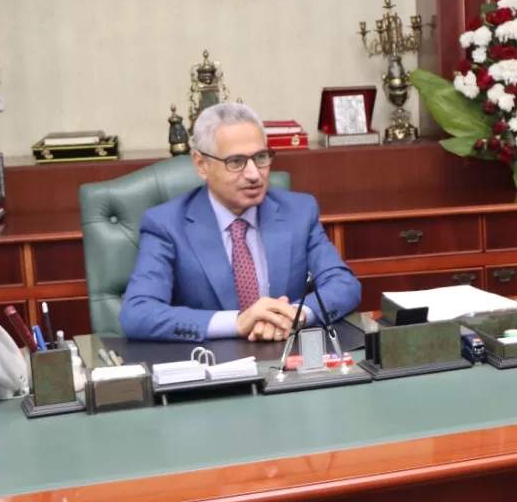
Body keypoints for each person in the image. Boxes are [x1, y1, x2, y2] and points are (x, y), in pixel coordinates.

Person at [120, 102, 360, 343]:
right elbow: (138, 313)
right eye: (236, 161)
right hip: (212, 360)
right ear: (201, 165)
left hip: (287, 356)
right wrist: (237, 322)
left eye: (261, 157)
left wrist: (295, 315)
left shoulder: (299, 212)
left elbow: (344, 285)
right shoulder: (166, 225)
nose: (254, 174)